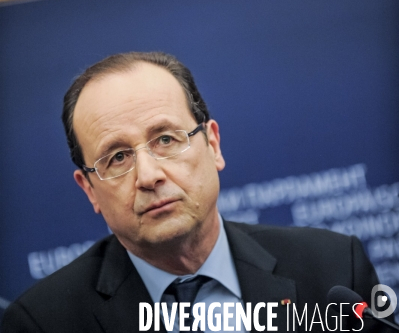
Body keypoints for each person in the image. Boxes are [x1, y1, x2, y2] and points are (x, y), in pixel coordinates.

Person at [1, 52, 383, 333]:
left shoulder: (333, 269)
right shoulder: (42, 324)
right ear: (90, 191)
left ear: (213, 145)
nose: (148, 176)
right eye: (117, 158)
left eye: (166, 139)